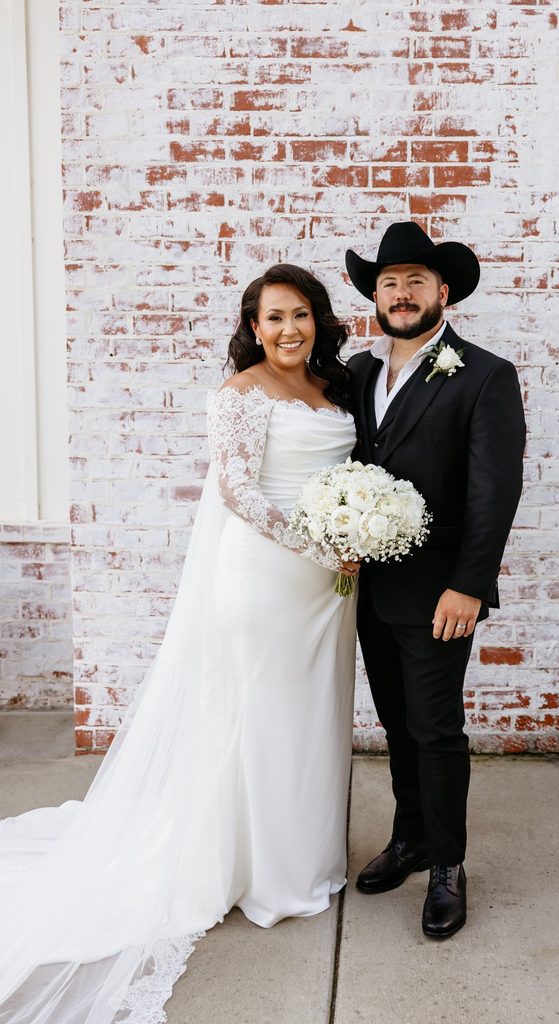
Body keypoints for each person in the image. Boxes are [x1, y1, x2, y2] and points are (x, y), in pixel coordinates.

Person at [0, 264, 360, 1023]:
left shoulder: (332, 389)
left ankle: (304, 857)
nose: (288, 330)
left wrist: (355, 531)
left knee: (309, 717)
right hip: (267, 576)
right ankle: (255, 872)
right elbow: (237, 490)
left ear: (318, 320)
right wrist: (320, 546)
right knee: (258, 716)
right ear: (252, 327)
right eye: (273, 318)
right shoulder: (239, 395)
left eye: (300, 315)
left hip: (328, 587)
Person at [345, 221, 526, 939]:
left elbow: (494, 490)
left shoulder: (483, 374)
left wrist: (469, 585)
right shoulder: (358, 373)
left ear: (442, 292)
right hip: (368, 589)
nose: (401, 292)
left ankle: (448, 867)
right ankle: (410, 837)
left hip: (440, 592)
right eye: (388, 282)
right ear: (375, 297)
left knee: (436, 729)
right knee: (395, 723)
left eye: (415, 280)